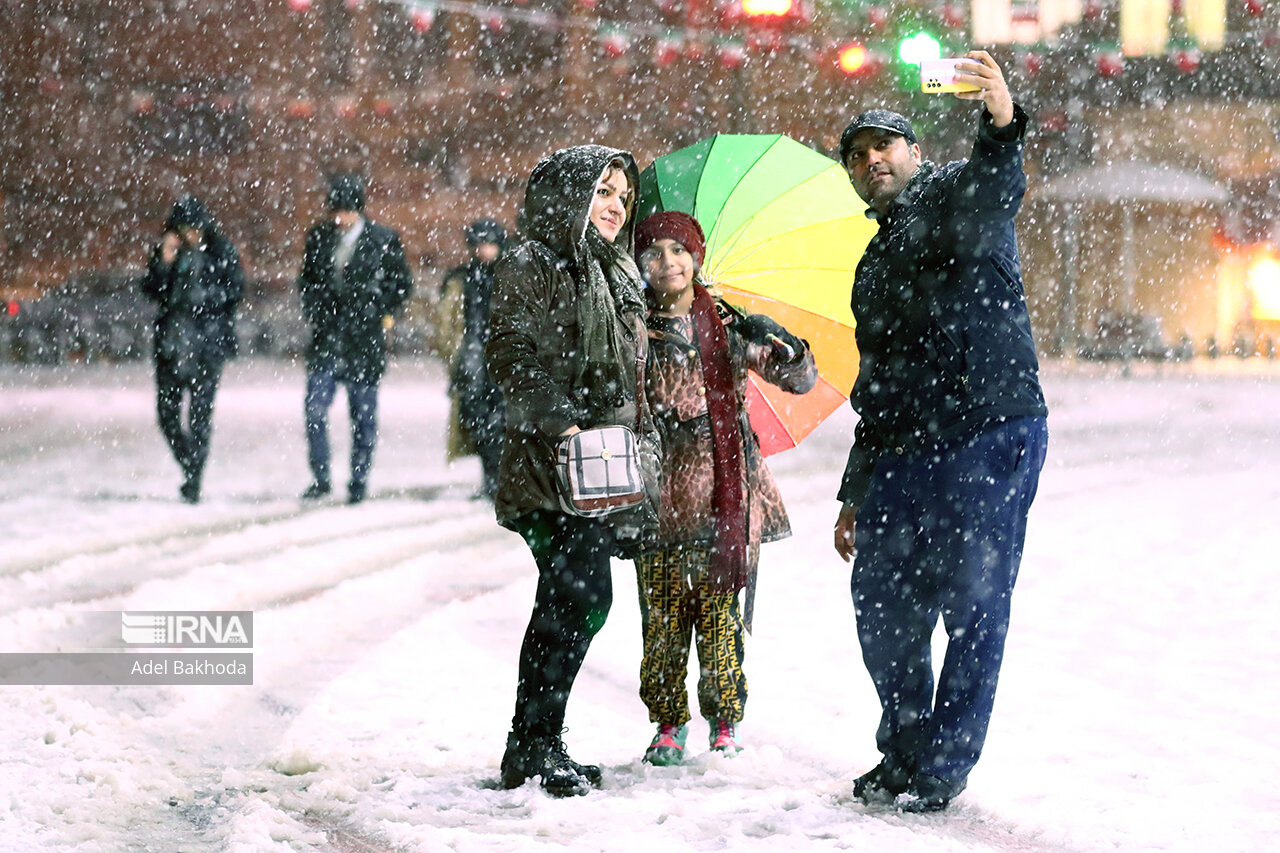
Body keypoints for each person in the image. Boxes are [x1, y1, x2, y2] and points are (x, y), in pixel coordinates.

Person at [832, 51, 1049, 812]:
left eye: (885, 144)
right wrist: (856, 491)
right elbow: (877, 386)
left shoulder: (959, 191)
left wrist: (1000, 120)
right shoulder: (870, 262)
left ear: (915, 152)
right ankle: (905, 746)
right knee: (882, 602)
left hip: (988, 427)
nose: (872, 160)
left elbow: (997, 185)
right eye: (857, 155)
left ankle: (944, 763)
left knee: (974, 600)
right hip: (903, 448)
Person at [485, 145, 658, 796]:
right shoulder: (534, 261)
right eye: (601, 191)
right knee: (578, 596)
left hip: (595, 464)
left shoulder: (615, 269)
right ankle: (532, 743)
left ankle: (533, 741)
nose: (615, 205)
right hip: (547, 462)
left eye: (622, 194)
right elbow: (509, 351)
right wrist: (564, 423)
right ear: (568, 196)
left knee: (573, 599)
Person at [632, 211, 816, 765]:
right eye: (655, 252)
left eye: (678, 251)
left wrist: (787, 349)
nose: (668, 262)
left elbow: (798, 380)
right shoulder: (634, 328)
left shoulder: (733, 327)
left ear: (697, 259)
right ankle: (668, 721)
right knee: (661, 616)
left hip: (724, 488)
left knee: (719, 615)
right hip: (660, 489)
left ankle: (724, 717)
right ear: (641, 264)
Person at [297, 173, 413, 505]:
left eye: (346, 211)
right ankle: (321, 476)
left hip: (365, 340)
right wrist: (317, 311)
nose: (340, 218)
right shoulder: (319, 238)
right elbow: (306, 281)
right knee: (314, 410)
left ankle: (358, 479)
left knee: (363, 416)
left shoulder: (383, 239)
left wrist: (379, 310)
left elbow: (402, 283)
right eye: (336, 210)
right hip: (328, 337)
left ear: (358, 210)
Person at [141, 196, 243, 504]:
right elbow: (151, 289)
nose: (190, 234)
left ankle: (193, 478)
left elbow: (235, 290)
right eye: (183, 229)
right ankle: (190, 463)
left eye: (194, 228)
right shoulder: (169, 252)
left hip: (207, 346)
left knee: (200, 416)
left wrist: (204, 298)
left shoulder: (221, 251)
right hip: (172, 344)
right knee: (167, 414)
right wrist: (165, 260)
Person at [449, 218, 508, 498]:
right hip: (477, 357)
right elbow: (463, 319)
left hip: (504, 355)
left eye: (487, 244)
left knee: (501, 421)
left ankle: (500, 481)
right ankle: (490, 480)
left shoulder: (510, 273)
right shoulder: (468, 277)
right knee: (480, 422)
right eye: (479, 245)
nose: (483, 250)